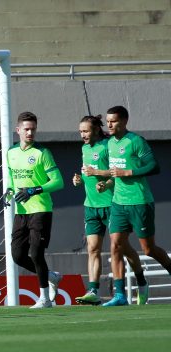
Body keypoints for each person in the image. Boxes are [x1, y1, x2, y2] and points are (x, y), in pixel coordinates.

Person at [71, 115, 144, 306]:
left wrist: (101, 177)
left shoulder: (108, 146)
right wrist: (79, 179)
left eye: (86, 131)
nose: (83, 135)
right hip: (91, 207)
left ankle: (140, 282)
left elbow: (115, 172)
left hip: (113, 205)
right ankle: (93, 290)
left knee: (121, 248)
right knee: (93, 248)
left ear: (96, 129)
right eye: (80, 132)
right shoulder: (84, 148)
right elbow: (88, 173)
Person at [103, 105, 171, 306]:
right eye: (108, 121)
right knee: (115, 245)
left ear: (124, 121)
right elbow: (114, 172)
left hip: (140, 202)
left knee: (148, 249)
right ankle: (120, 295)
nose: (109, 124)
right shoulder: (109, 144)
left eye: (113, 121)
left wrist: (128, 173)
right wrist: (106, 183)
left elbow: (154, 166)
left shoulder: (136, 141)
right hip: (118, 203)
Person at [5, 111, 64, 308]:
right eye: (27, 129)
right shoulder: (11, 153)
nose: (30, 133)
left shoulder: (42, 153)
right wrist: (9, 192)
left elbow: (58, 182)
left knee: (37, 253)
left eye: (33, 129)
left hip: (41, 209)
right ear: (18, 130)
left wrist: (34, 189)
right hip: (21, 212)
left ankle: (45, 299)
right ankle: (52, 276)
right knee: (17, 256)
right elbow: (12, 179)